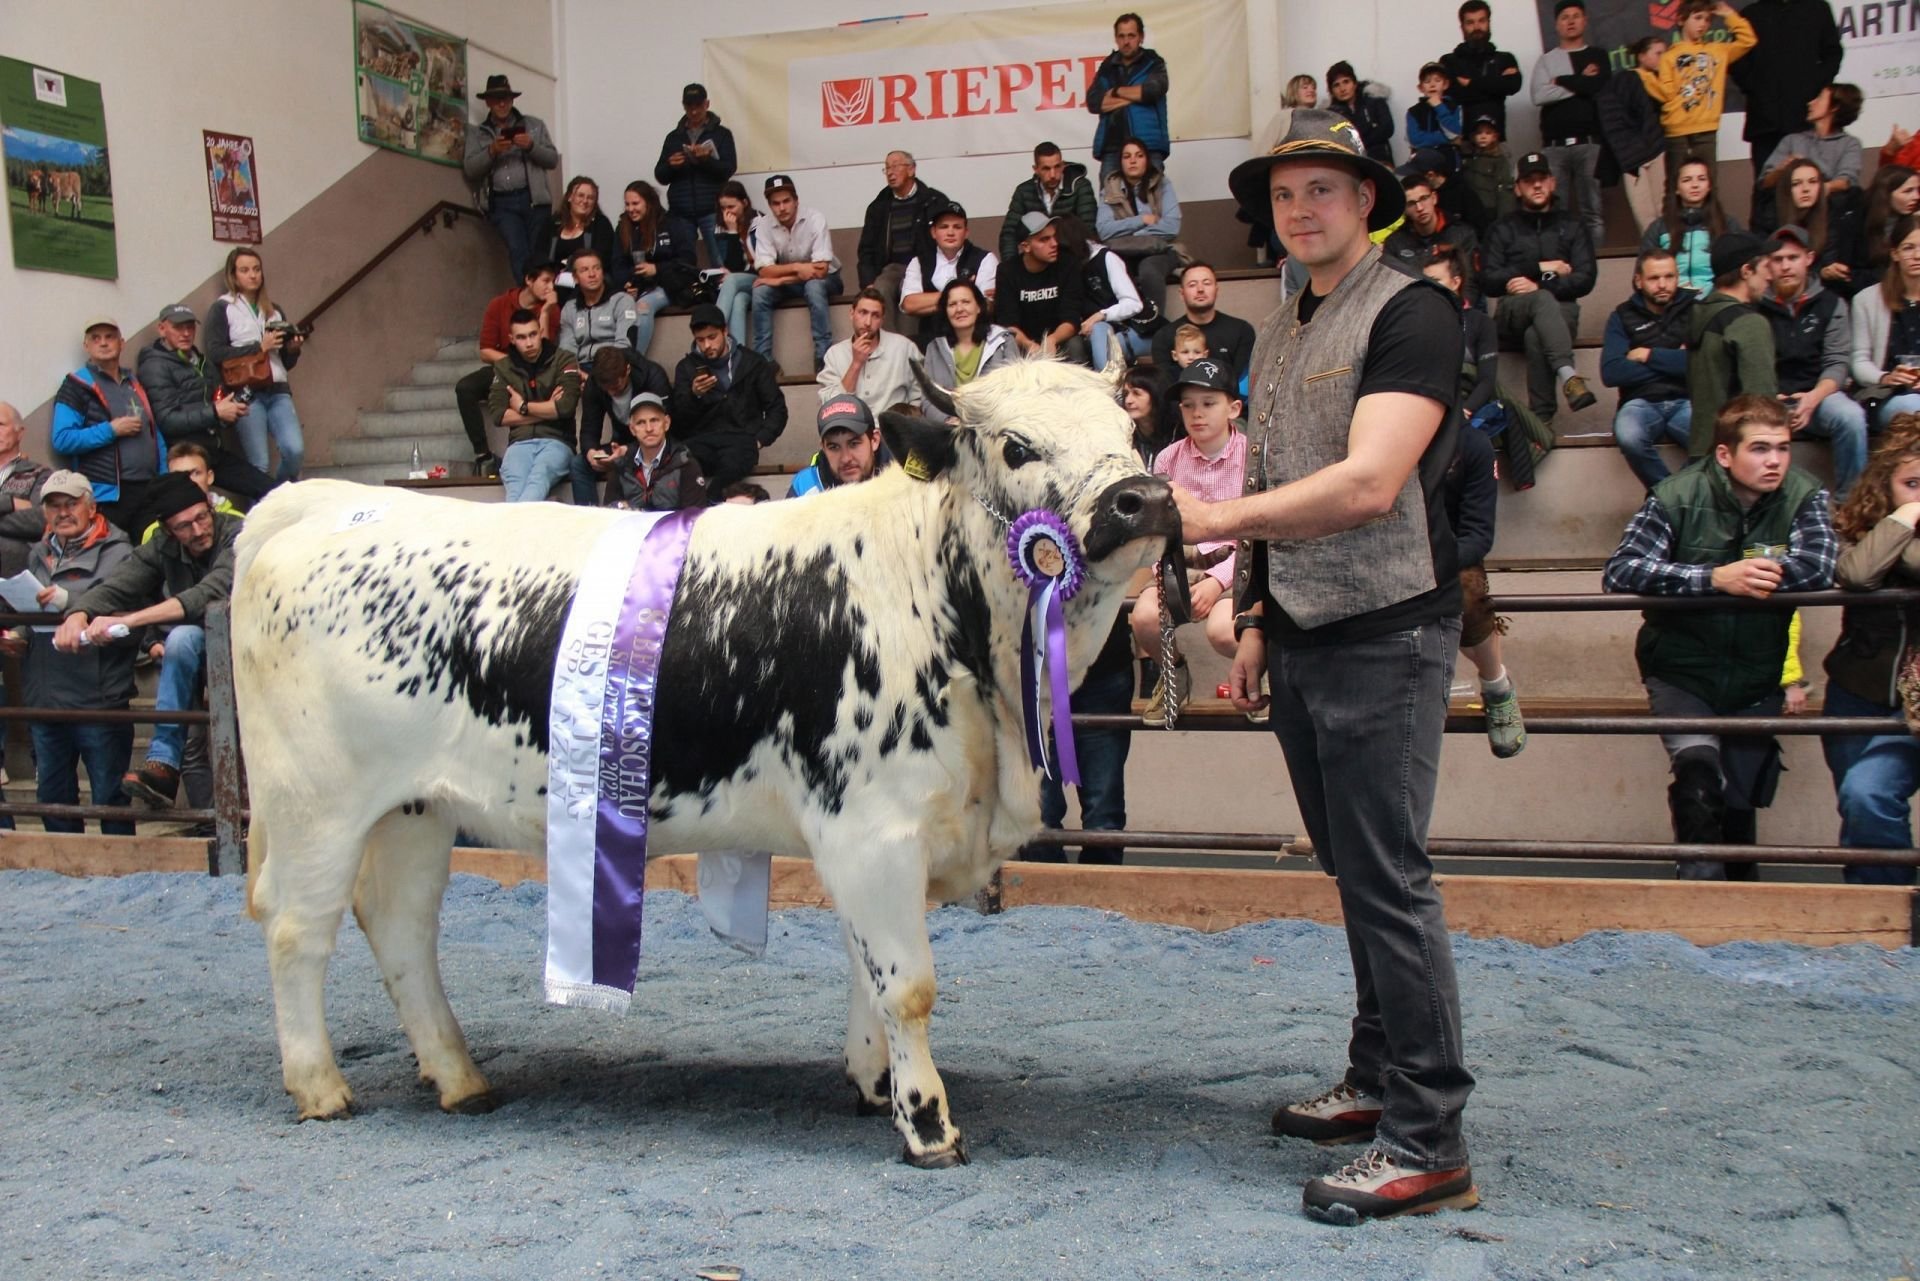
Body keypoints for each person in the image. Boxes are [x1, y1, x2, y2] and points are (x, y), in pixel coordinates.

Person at [1206, 108, 1476, 1222]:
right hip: (1307, 632)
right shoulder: (1274, 327)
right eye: (1284, 192)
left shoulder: (1413, 311)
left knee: (1387, 878)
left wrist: (1198, 523)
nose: (1300, 208)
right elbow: (1279, 479)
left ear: (1369, 201)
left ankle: (1429, 1136)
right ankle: (1375, 1081)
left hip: (1389, 627)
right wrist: (1259, 616)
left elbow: (1369, 486)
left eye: (1323, 188)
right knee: (1355, 870)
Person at [1603, 394, 1836, 879]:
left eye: (1783, 448)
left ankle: (1739, 907)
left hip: (1757, 672)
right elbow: (1622, 571)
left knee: (1739, 800)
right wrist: (1714, 579)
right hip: (1682, 669)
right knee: (1698, 782)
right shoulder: (1676, 494)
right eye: (1760, 449)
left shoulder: (1804, 494)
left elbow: (1820, 566)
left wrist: (1756, 575)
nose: (1774, 461)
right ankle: (1695, 902)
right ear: (1725, 454)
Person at [54, 471, 243, 810]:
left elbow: (212, 590)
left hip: (252, 645)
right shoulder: (162, 545)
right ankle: (164, 764)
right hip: (201, 653)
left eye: (202, 517)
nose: (198, 530)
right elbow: (121, 583)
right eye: (184, 526)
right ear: (169, 530)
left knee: (184, 637)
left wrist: (130, 620)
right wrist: (78, 614)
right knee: (183, 639)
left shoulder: (237, 532)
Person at [0, 472, 135, 834]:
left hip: (98, 699)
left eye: (71, 504)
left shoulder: (120, 554)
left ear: (92, 507)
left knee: (110, 799)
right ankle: (62, 881)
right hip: (44, 697)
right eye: (54, 506)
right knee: (53, 798)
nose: (63, 512)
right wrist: (18, 633)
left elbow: (129, 622)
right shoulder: (37, 553)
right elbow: (31, 615)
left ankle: (121, 877)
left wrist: (69, 602)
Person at [1820, 416, 1920, 886]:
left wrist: (1897, 531)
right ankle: (1871, 927)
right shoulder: (1863, 527)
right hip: (1856, 691)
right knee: (1857, 808)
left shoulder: (1881, 537)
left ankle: (1898, 917)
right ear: (1885, 486)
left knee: (1868, 793)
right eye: (1912, 484)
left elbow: (1864, 571)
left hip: (1913, 703)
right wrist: (1906, 519)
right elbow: (1857, 572)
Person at [1129, 359, 1245, 719]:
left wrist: (1216, 582)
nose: (1197, 414)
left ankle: (1256, 674)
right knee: (1144, 618)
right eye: (1188, 405)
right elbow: (1155, 529)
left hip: (1239, 565)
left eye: (1209, 404)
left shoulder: (1253, 456)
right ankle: (1174, 672)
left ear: (1234, 407)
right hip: (1178, 563)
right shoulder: (1168, 457)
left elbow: (1257, 538)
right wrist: (1168, 578)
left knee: (1225, 632)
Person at [1439, 373, 1526, 758]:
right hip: (1386, 546)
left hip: (1449, 551)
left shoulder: (1471, 445)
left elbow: (1477, 535)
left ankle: (1496, 685)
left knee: (1467, 592)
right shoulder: (1382, 435)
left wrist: (1429, 560)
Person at [1480, 152, 1598, 427]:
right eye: (1529, 180)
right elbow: (1488, 280)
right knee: (1542, 300)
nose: (1536, 185)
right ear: (1518, 188)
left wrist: (1539, 285)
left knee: (1537, 336)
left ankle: (1541, 420)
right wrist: (1539, 266)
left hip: (1562, 311)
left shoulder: (1573, 225)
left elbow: (1586, 278)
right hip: (1513, 311)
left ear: (1553, 183)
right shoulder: (1502, 228)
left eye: (1542, 179)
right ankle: (1569, 376)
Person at [1760, 224, 1870, 497]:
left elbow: (1837, 361)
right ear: (1767, 265)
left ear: (1808, 259)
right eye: (1778, 259)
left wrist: (1812, 398)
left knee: (1852, 418)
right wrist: (1769, 399)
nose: (1785, 266)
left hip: (1819, 395)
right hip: (1768, 397)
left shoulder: (1832, 303)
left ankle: (1850, 505)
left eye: (1793, 258)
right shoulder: (1755, 305)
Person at [135, 303, 273, 506]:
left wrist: (231, 411)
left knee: (273, 491)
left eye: (190, 327)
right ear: (162, 329)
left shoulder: (201, 360)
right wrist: (216, 413)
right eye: (178, 327)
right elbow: (167, 420)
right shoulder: (154, 365)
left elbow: (217, 402)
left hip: (213, 452)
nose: (185, 333)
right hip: (184, 459)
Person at [1731, 0, 1844, 225]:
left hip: (1806, 117)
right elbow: (1736, 61)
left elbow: (1832, 53)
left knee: (1809, 186)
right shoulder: (1750, 14)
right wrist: (1756, 87)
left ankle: (1815, 246)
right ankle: (1764, 247)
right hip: (1765, 120)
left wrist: (1814, 85)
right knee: (1766, 187)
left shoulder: (1816, 8)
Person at [53, 317, 163, 537]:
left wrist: (164, 477)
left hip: (150, 489)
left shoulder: (133, 382)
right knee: (116, 559)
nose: (103, 343)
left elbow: (155, 434)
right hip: (109, 496)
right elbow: (62, 439)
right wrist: (111, 430)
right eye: (96, 338)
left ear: (121, 343)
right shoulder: (76, 385)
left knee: (152, 556)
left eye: (109, 337)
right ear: (87, 346)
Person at [204, 248, 304, 484]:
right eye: (245, 270)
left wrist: (293, 350)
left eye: (257, 270)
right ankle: (263, 511)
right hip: (246, 392)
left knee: (295, 451)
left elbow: (284, 362)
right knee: (259, 463)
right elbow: (216, 352)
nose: (252, 276)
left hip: (277, 389)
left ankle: (275, 494)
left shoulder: (273, 309)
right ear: (233, 275)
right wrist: (259, 347)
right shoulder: (223, 308)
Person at [1603, 250, 1698, 487]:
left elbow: (1702, 364)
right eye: (1654, 278)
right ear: (1639, 281)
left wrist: (1648, 355)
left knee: (1714, 440)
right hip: (1640, 402)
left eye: (1670, 277)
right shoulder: (1622, 315)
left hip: (1688, 400)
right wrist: (1678, 361)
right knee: (1629, 436)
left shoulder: (1695, 310)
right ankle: (1667, 495)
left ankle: (1669, 497)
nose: (1663, 285)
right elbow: (1612, 372)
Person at [456, 260, 559, 477]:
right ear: (529, 280)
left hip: (538, 371)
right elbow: (485, 351)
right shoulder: (500, 304)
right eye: (546, 281)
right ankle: (483, 454)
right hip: (504, 367)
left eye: (554, 282)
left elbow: (546, 350)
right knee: (465, 387)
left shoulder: (550, 308)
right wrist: (513, 365)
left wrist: (547, 312)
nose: (551, 288)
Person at [673, 303, 789, 493]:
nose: (707, 345)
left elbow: (777, 408)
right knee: (680, 457)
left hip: (741, 441)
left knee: (737, 457)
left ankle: (711, 500)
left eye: (712, 337)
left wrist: (759, 440)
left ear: (725, 331)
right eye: (700, 340)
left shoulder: (753, 362)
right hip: (702, 441)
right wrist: (694, 395)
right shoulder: (686, 368)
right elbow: (676, 421)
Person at [1648, 0, 1757, 196]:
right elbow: (1666, 94)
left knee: (1709, 187)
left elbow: (1748, 40)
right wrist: (1646, 77)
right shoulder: (1669, 57)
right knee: (1676, 187)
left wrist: (1728, 14)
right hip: (1677, 132)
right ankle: (1674, 227)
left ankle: (1711, 227)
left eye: (1707, 20)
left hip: (1706, 130)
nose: (1703, 24)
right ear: (1681, 19)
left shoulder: (1717, 51)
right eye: (1697, 18)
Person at [1686, 231, 1779, 458]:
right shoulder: (1748, 323)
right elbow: (1761, 402)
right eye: (1766, 266)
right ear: (1747, 271)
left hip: (1703, 449)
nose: (1771, 276)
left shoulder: (1700, 314)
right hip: (1740, 454)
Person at [1529, 0, 1609, 253]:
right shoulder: (1547, 60)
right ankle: (1561, 264)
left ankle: (1594, 267)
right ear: (1556, 24)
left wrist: (1562, 80)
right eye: (1565, 17)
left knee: (1592, 210)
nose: (1571, 21)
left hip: (1589, 143)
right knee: (1556, 210)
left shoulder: (1598, 55)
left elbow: (1598, 87)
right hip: (1554, 148)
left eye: (1576, 16)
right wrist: (1580, 82)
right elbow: (1539, 96)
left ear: (1585, 20)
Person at [464, 75, 559, 283]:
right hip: (502, 203)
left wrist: (531, 146)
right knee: (517, 249)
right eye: (497, 99)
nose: (502, 103)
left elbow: (552, 160)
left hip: (534, 200)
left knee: (538, 252)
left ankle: (541, 298)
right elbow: (470, 169)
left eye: (506, 98)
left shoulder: (534, 125)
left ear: (512, 100)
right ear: (487, 102)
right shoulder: (478, 133)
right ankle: (526, 297)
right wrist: (492, 151)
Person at [488, 309, 585, 503]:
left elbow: (566, 407)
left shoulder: (564, 359)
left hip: (557, 441)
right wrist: (549, 408)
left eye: (533, 334)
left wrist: (522, 407)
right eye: (522, 337)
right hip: (519, 443)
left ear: (541, 332)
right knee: (515, 488)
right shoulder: (503, 367)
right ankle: (541, 513)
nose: (529, 342)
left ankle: (516, 529)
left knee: (538, 478)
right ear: (512, 339)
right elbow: (499, 415)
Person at [752, 175, 843, 372]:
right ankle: (763, 360)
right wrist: (796, 269)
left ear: (796, 201)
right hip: (792, 281)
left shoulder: (814, 218)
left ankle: (823, 356)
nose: (781, 208)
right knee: (760, 293)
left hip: (827, 279)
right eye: (775, 203)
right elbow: (765, 269)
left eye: (786, 201)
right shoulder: (764, 225)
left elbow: (820, 270)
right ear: (769, 205)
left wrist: (781, 278)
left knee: (814, 286)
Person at [856, 152, 949, 328]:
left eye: (896, 166)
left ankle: (910, 349)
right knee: (880, 289)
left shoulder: (934, 200)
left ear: (912, 169)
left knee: (912, 298)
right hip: (893, 268)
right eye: (887, 168)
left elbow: (948, 239)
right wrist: (868, 281)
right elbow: (866, 249)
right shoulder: (878, 206)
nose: (890, 172)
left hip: (925, 266)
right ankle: (887, 347)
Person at [653, 83, 737, 268]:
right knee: (683, 263)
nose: (694, 111)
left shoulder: (722, 134)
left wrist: (707, 160)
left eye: (698, 106)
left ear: (707, 104)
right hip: (680, 212)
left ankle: (721, 294)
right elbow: (660, 175)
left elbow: (729, 169)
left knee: (720, 262)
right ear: (684, 106)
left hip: (712, 209)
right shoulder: (673, 137)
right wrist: (670, 165)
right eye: (689, 106)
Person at [1849, 214, 1920, 432]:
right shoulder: (1866, 300)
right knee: (1913, 409)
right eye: (1908, 248)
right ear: (1895, 253)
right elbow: (1858, 361)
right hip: (1887, 394)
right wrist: (1887, 377)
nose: (1917, 255)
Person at [613, 180, 699, 358]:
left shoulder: (671, 223)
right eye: (627, 204)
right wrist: (628, 283)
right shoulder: (623, 227)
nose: (631, 209)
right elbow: (617, 264)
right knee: (619, 306)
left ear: (649, 202)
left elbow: (688, 259)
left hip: (668, 285)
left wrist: (657, 269)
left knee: (643, 307)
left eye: (635, 203)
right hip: (636, 287)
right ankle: (615, 360)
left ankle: (634, 362)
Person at [1096, 140, 1182, 315]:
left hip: (1159, 250)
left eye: (1139, 156)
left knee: (1149, 270)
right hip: (1124, 252)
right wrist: (1141, 220)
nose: (1133, 161)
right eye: (1127, 156)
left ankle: (1154, 325)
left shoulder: (1162, 184)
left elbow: (1172, 226)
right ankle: (1123, 330)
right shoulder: (1109, 190)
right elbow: (1104, 230)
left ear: (1147, 160)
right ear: (1120, 162)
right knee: (1109, 271)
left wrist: (1129, 233)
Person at [1597, 36, 1670, 236]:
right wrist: (1632, 147)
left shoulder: (1666, 81)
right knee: (1645, 213)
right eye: (1658, 53)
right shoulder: (1626, 80)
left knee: (1663, 210)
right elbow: (1613, 116)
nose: (1664, 58)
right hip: (1634, 157)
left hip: (1657, 151)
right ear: (1641, 56)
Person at [1085, 13, 1169, 182]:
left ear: (1141, 37)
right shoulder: (1108, 66)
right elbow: (1093, 102)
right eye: (1121, 36)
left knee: (1153, 201)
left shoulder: (1153, 62)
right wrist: (1135, 95)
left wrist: (1115, 91)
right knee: (1110, 201)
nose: (1126, 41)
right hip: (1112, 147)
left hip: (1148, 146)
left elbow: (1152, 91)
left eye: (1131, 35)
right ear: (1116, 38)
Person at [996, 212, 1089, 364]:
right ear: (1026, 247)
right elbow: (1007, 323)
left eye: (1054, 236)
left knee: (1075, 345)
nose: (1054, 244)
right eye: (1044, 240)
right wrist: (1029, 345)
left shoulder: (1068, 264)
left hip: (1059, 339)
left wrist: (1052, 340)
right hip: (1023, 342)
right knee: (1005, 346)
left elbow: (1071, 318)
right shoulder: (1007, 271)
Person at [1641, 157, 1742, 296]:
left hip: (1717, 301)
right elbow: (1643, 272)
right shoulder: (1659, 227)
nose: (1695, 185)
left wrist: (1712, 293)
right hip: (1670, 301)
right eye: (1687, 180)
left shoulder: (1728, 224)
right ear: (1676, 188)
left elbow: (1740, 272)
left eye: (1701, 179)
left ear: (1709, 186)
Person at [596, 394, 708, 512]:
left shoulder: (686, 464)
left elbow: (694, 519)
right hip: (632, 529)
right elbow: (608, 515)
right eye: (641, 423)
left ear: (666, 423)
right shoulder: (621, 466)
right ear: (632, 429)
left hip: (672, 530)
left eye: (654, 420)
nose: (649, 428)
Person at [1149, 263, 1257, 386]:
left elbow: (1243, 384)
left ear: (1216, 290)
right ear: (1181, 293)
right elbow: (1164, 387)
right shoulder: (1164, 336)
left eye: (1206, 283)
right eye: (1192, 285)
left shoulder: (1242, 331)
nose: (1200, 289)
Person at [818, 288, 919, 417]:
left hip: (895, 431)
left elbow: (920, 397)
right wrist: (856, 364)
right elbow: (831, 406)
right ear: (851, 313)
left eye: (875, 315)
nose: (867, 322)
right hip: (852, 433)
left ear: (882, 320)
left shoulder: (905, 348)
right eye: (863, 313)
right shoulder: (834, 354)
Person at [920, 279, 1013, 419]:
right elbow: (928, 399)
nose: (959, 309)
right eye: (952, 304)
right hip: (951, 431)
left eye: (966, 302)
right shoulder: (934, 348)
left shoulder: (1003, 341)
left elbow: (1017, 391)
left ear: (979, 307)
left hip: (996, 425)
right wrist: (948, 420)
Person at [899, 201, 998, 330]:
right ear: (933, 232)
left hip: (975, 337)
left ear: (966, 232)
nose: (950, 232)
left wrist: (932, 302)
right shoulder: (918, 262)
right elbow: (909, 305)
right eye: (944, 227)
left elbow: (986, 306)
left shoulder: (985, 259)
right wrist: (964, 297)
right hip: (931, 340)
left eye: (957, 227)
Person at [1760, 84, 1864, 205]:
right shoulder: (1791, 140)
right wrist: (1781, 169)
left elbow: (1846, 181)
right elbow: (1764, 182)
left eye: (1819, 98)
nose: (1810, 103)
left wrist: (1815, 186)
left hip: (1832, 209)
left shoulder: (1849, 143)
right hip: (1790, 208)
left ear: (1834, 107)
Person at [1074, 214, 1153, 370]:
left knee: (1099, 329)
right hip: (1092, 334)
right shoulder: (1067, 270)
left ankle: (1106, 382)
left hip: (1131, 329)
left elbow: (1133, 303)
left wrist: (1101, 315)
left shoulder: (1105, 258)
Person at [577, 345, 673, 473]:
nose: (611, 392)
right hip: (621, 444)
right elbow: (589, 428)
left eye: (616, 386)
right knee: (578, 464)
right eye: (606, 388)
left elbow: (664, 430)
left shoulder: (653, 376)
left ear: (627, 370)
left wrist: (629, 450)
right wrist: (591, 453)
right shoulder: (594, 383)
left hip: (654, 443)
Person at [1000, 142, 1099, 264]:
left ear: (1063, 165)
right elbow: (1009, 234)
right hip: (1038, 261)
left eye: (1057, 167)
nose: (1053, 175)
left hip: (1073, 260)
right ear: (1036, 169)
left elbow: (1087, 231)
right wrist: (1012, 269)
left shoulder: (1080, 186)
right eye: (1046, 168)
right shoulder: (1023, 191)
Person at [536, 176, 620, 306]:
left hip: (587, 275)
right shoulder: (552, 223)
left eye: (590, 198)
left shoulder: (601, 224)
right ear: (570, 197)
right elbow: (539, 253)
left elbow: (601, 257)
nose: (585, 201)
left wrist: (571, 269)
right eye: (580, 195)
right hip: (555, 276)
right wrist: (554, 273)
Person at [1384, 175, 1480, 288]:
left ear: (1434, 198)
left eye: (1424, 198)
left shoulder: (1462, 234)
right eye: (1411, 204)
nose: (1419, 208)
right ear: (1404, 209)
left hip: (1454, 301)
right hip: (1413, 302)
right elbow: (1389, 285)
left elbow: (1471, 281)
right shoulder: (1395, 242)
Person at [1441, 2, 1522, 135]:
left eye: (1481, 21)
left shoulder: (1505, 58)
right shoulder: (1448, 61)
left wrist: (1470, 83)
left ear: (1489, 23)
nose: (1477, 27)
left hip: (1496, 140)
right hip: (1461, 141)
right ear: (1462, 27)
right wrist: (1495, 86)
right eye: (1470, 22)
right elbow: (1453, 95)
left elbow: (1513, 86)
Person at [790, 394, 894, 498]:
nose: (846, 458)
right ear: (823, 448)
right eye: (834, 447)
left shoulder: (903, 481)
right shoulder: (805, 487)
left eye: (854, 444)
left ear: (874, 440)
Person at [138, 443, 244, 543]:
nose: (189, 481)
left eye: (196, 473)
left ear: (210, 476)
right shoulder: (153, 533)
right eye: (178, 476)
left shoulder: (239, 521)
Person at [1768, 159, 1845, 285]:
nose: (1805, 189)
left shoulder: (1831, 217)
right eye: (1796, 184)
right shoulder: (1770, 218)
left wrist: (1824, 272)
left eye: (1813, 182)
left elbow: (1828, 260)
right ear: (1786, 189)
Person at [557, 250, 639, 367]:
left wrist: (596, 377)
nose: (592, 274)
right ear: (575, 278)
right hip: (581, 367)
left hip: (613, 366)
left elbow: (624, 345)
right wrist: (574, 373)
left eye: (596, 268)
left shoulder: (622, 301)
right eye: (584, 270)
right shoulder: (570, 308)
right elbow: (567, 348)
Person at [0, 401, 52, 577]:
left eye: (0, 424)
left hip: (13, 568)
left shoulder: (40, 474)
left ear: (19, 433)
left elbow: (41, 519)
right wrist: (10, 503)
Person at [712, 182, 765, 352]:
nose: (728, 212)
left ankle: (712, 327)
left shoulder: (760, 221)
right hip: (740, 282)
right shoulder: (721, 227)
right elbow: (731, 265)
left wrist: (735, 232)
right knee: (739, 300)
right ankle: (738, 354)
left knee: (733, 280)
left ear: (745, 203)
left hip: (761, 277)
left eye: (732, 206)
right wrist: (732, 233)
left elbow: (761, 263)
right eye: (723, 208)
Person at [1324, 61, 1394, 165]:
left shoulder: (1374, 99)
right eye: (1336, 85)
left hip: (1380, 159)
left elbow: (1387, 128)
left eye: (1346, 82)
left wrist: (1359, 141)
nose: (1342, 89)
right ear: (1331, 91)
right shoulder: (1331, 113)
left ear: (1355, 83)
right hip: (1350, 162)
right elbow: (1336, 141)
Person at [1457, 114, 1515, 231]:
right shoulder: (1466, 158)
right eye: (1479, 133)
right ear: (1473, 136)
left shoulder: (1499, 160)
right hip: (1469, 211)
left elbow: (1505, 190)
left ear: (1495, 136)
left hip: (1489, 211)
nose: (1483, 136)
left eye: (1488, 133)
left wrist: (1503, 220)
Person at [1406, 63, 1462, 161]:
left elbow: (1454, 133)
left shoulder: (1454, 106)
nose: (1432, 85)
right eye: (1427, 81)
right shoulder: (1413, 111)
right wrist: (1443, 138)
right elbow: (1415, 140)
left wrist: (1439, 106)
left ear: (1445, 84)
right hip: (1422, 158)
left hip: (1448, 158)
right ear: (1421, 88)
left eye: (1437, 81)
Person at [1120, 365, 1171, 468]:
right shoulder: (1122, 434)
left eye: (1136, 393)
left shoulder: (1179, 434)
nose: (1128, 401)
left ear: (1156, 395)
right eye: (1126, 394)